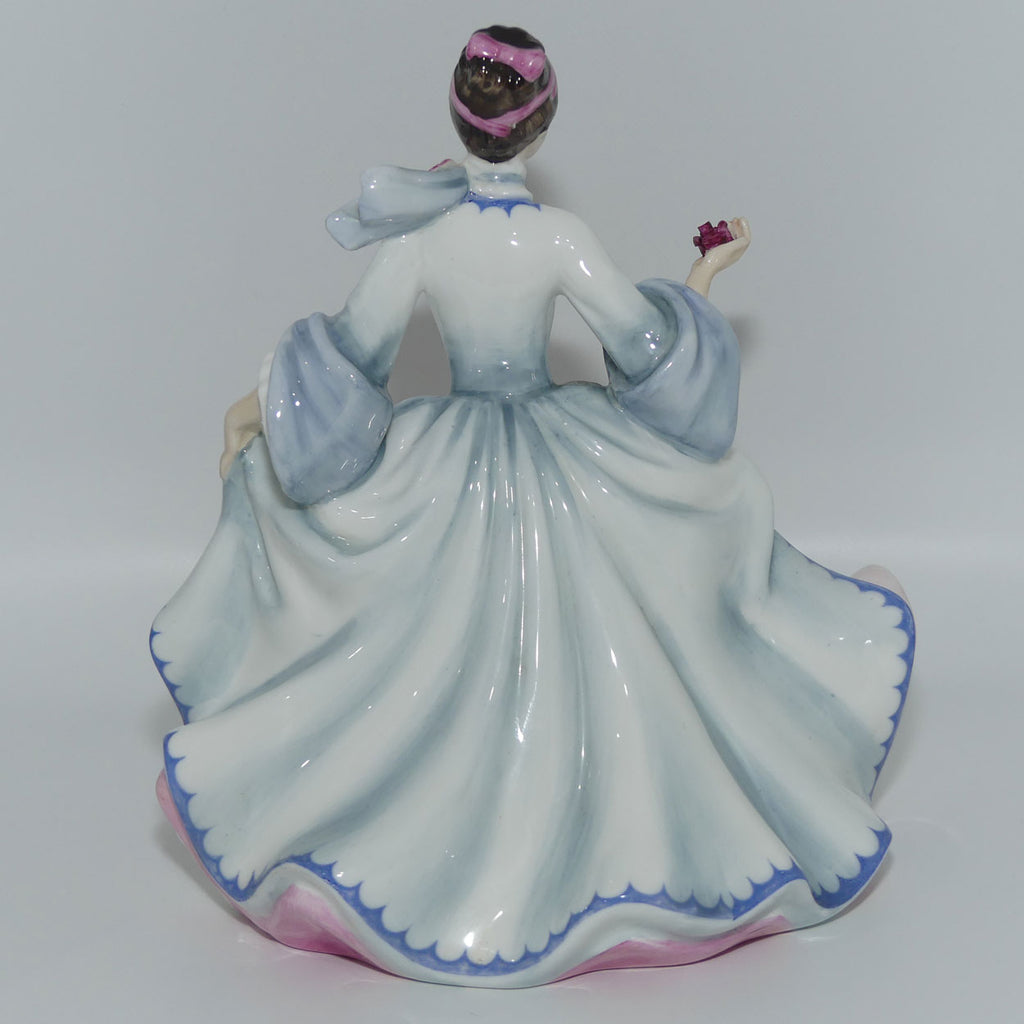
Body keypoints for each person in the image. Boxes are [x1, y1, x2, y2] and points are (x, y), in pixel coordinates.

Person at [153, 26, 914, 988]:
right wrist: (703, 283)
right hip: (557, 452)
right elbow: (641, 347)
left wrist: (260, 407)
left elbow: (353, 355)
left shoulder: (422, 234)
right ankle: (610, 842)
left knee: (431, 651)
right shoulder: (558, 237)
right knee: (630, 610)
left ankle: (448, 840)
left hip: (450, 459)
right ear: (543, 126)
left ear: (458, 117)